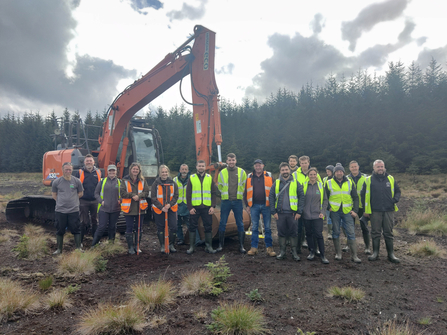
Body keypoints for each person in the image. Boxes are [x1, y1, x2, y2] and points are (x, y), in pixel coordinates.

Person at [361, 160, 401, 263]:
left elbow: (398, 191)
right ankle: (375, 253)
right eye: (378, 166)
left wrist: (394, 200)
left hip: (389, 210)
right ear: (374, 168)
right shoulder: (368, 180)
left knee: (388, 233)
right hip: (375, 211)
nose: (380, 168)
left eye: (382, 166)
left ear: (384, 167)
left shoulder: (390, 178)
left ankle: (391, 255)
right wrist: (366, 210)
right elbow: (362, 195)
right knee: (375, 233)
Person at [325, 163, 361, 263]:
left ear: (343, 172)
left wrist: (355, 211)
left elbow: (355, 197)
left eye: (341, 171)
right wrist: (328, 208)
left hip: (347, 211)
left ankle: (354, 256)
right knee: (335, 232)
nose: (339, 173)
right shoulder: (328, 183)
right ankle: (338, 254)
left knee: (351, 232)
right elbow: (325, 198)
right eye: (337, 171)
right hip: (335, 212)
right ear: (334, 173)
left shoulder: (349, 182)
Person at [269, 162, 305, 261]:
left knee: (294, 233)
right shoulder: (276, 183)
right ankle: (282, 252)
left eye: (286, 169)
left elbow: (301, 197)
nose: (285, 171)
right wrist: (273, 212)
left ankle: (294, 253)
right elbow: (271, 197)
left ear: (289, 170)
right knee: (281, 233)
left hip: (292, 214)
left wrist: (299, 212)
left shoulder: (296, 182)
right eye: (283, 170)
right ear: (280, 171)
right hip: (280, 213)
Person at [243, 159, 276, 257]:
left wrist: (273, 205)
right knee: (254, 227)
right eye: (256, 165)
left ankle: (269, 248)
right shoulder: (249, 176)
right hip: (254, 206)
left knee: (268, 228)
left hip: (267, 205)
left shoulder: (269, 176)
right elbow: (246, 192)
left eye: (259, 165)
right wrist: (247, 205)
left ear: (263, 166)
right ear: (254, 167)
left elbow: (274, 191)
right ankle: (254, 248)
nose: (258, 167)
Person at [186, 160, 218, 254]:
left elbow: (213, 193)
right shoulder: (191, 178)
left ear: (205, 167)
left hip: (207, 208)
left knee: (208, 227)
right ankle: (192, 247)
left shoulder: (209, 178)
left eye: (202, 166)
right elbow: (188, 195)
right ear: (196, 167)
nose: (201, 167)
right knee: (192, 227)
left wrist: (213, 206)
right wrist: (190, 208)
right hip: (195, 208)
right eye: (199, 166)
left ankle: (209, 247)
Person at [217, 153, 247, 253]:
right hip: (226, 201)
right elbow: (220, 186)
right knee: (222, 222)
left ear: (235, 160)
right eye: (229, 160)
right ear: (227, 161)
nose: (231, 162)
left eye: (233, 160)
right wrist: (224, 195)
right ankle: (221, 245)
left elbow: (244, 186)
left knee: (240, 223)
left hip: (237, 201)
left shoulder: (242, 172)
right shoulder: (222, 172)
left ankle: (241, 246)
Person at [52, 162, 84, 254]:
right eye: (66, 169)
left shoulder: (77, 181)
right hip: (60, 210)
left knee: (76, 229)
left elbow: (81, 193)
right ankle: (59, 249)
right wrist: (61, 202)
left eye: (70, 169)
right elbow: (54, 195)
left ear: (72, 170)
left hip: (74, 210)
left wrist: (72, 200)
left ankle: (78, 248)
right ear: (62, 170)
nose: (68, 171)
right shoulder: (56, 182)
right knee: (60, 229)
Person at [292, 156, 322, 252]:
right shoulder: (294, 174)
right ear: (299, 164)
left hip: (312, 206)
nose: (304, 164)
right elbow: (292, 189)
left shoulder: (315, 174)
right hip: (299, 205)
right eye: (302, 163)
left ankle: (314, 249)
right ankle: (298, 248)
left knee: (313, 229)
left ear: (309, 163)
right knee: (299, 228)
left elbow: (321, 189)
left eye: (305, 163)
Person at [120, 162, 149, 255]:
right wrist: (133, 195)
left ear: (139, 170)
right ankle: (130, 247)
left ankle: (137, 246)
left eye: (137, 169)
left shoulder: (143, 180)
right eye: (134, 169)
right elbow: (122, 193)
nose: (135, 170)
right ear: (130, 170)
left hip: (140, 208)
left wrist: (139, 196)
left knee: (139, 228)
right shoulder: (124, 180)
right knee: (129, 227)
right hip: (129, 209)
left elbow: (146, 192)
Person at [73, 154, 102, 246]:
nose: (89, 162)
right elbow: (75, 185)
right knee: (83, 221)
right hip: (83, 201)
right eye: (87, 161)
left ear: (94, 162)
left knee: (95, 221)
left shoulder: (98, 172)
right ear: (84, 162)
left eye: (90, 161)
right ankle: (80, 242)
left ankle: (95, 241)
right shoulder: (80, 172)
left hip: (95, 200)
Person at [302, 168, 329, 264]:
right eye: (311, 174)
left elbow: (325, 200)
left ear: (317, 175)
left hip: (318, 215)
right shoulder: (304, 185)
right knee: (308, 234)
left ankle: (322, 255)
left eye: (314, 174)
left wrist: (323, 212)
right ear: (308, 175)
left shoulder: (321, 186)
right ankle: (312, 252)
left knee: (318, 234)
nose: (313, 176)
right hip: (306, 215)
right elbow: (301, 200)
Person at [151, 165, 179, 253]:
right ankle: (163, 245)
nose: (164, 174)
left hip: (171, 208)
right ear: (160, 173)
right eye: (162, 172)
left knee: (173, 227)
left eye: (166, 172)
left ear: (168, 172)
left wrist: (169, 205)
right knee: (160, 227)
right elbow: (153, 197)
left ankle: (171, 244)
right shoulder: (155, 183)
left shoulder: (173, 183)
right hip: (159, 209)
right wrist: (162, 207)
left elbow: (176, 195)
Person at [91, 165, 121, 247]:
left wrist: (120, 201)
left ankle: (111, 245)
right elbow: (96, 194)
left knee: (112, 227)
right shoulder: (102, 181)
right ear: (107, 172)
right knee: (102, 227)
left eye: (113, 171)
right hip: (104, 209)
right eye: (110, 171)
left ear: (116, 172)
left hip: (115, 209)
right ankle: (94, 245)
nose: (112, 172)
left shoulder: (119, 182)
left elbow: (123, 194)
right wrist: (101, 201)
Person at [173, 164, 201, 246]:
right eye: (182, 169)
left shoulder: (192, 179)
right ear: (180, 170)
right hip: (177, 204)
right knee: (177, 224)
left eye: (185, 169)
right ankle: (181, 239)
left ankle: (197, 240)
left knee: (191, 224)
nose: (184, 171)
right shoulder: (175, 179)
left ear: (188, 170)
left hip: (188, 205)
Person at [347, 160, 371, 254]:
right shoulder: (346, 178)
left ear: (358, 167)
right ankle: (348, 245)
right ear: (349, 168)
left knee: (364, 227)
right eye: (352, 167)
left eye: (355, 166)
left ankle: (367, 247)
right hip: (350, 206)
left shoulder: (366, 177)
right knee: (349, 228)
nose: (354, 168)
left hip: (363, 207)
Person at [323, 165, 334, 240]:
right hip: (327, 201)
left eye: (329, 171)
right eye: (327, 172)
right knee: (328, 218)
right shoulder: (324, 179)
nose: (327, 173)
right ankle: (330, 233)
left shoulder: (335, 179)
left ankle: (335, 232)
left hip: (334, 201)